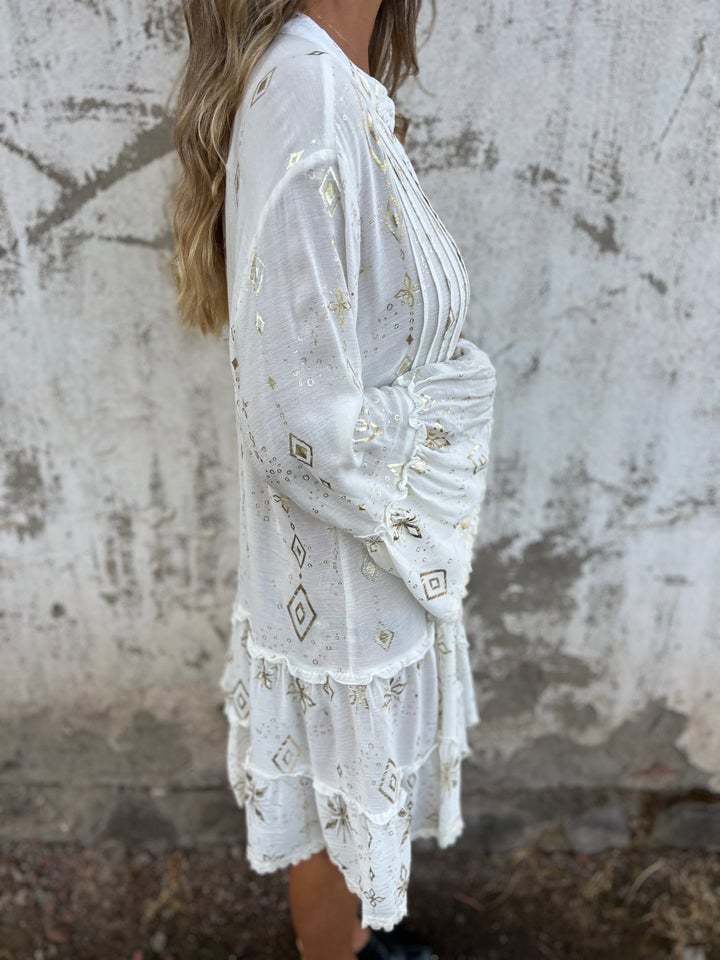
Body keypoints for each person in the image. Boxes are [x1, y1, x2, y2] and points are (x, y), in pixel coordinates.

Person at [171, 2, 497, 958]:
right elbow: (299, 431)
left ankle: (354, 947)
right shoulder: (307, 95)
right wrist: (448, 411)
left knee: (340, 790)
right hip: (347, 565)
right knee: (334, 790)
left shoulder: (331, 83)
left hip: (360, 554)